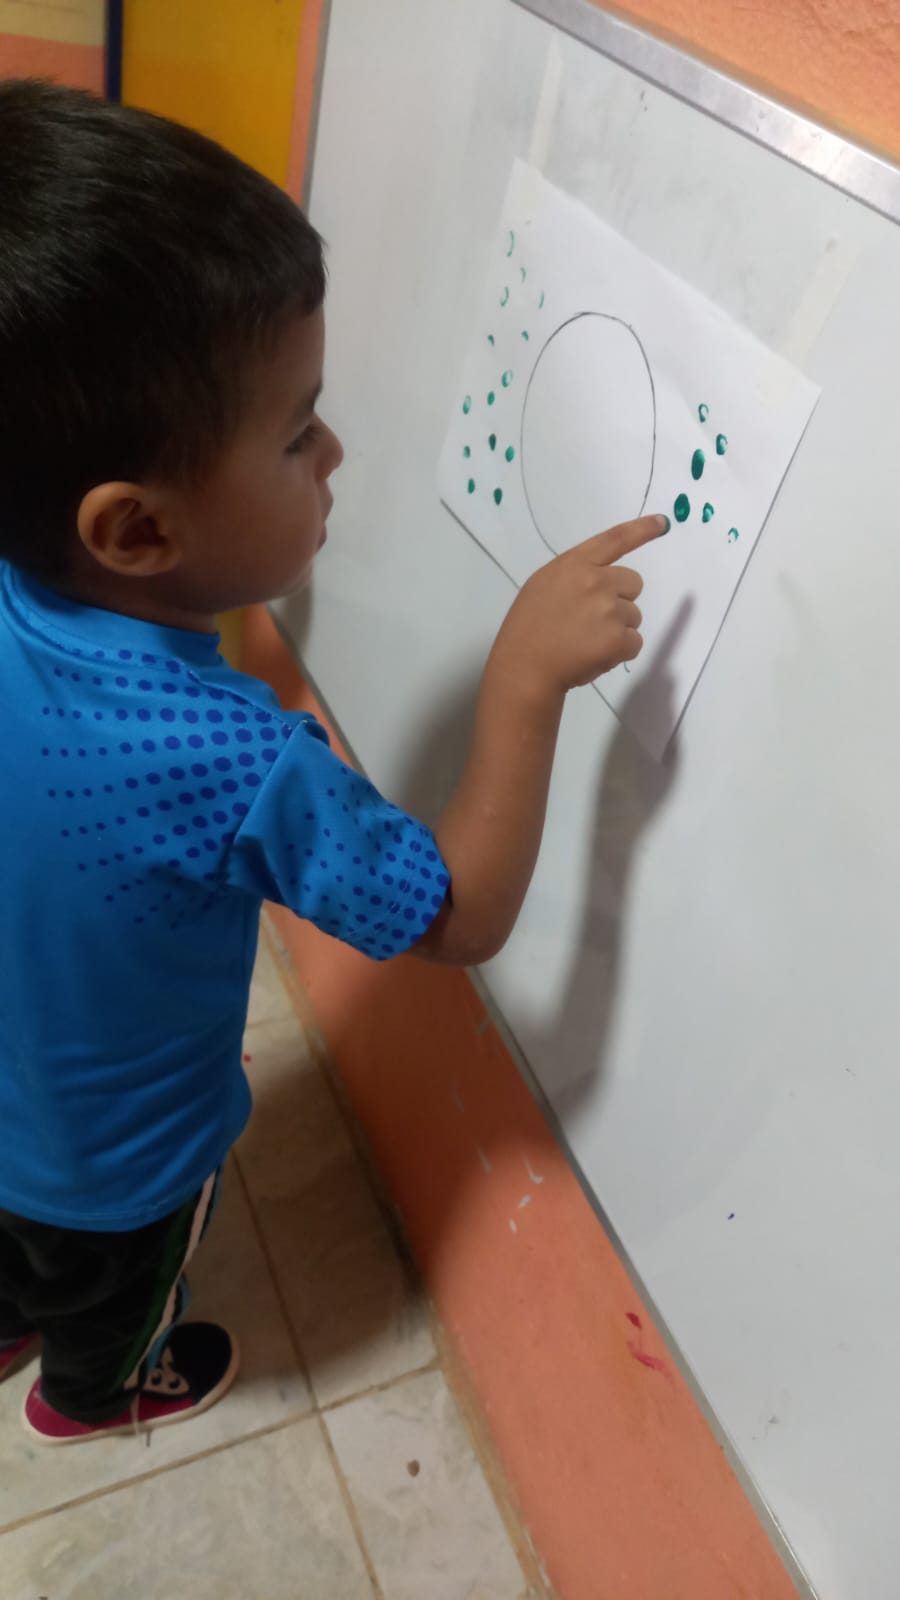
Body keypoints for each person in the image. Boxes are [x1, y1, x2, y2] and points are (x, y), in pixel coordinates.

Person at [0, 79, 667, 1444]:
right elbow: (459, 914)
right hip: (125, 1171)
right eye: (298, 429)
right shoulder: (236, 759)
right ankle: (91, 1395)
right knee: (107, 1299)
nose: (337, 451)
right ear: (136, 533)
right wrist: (524, 679)